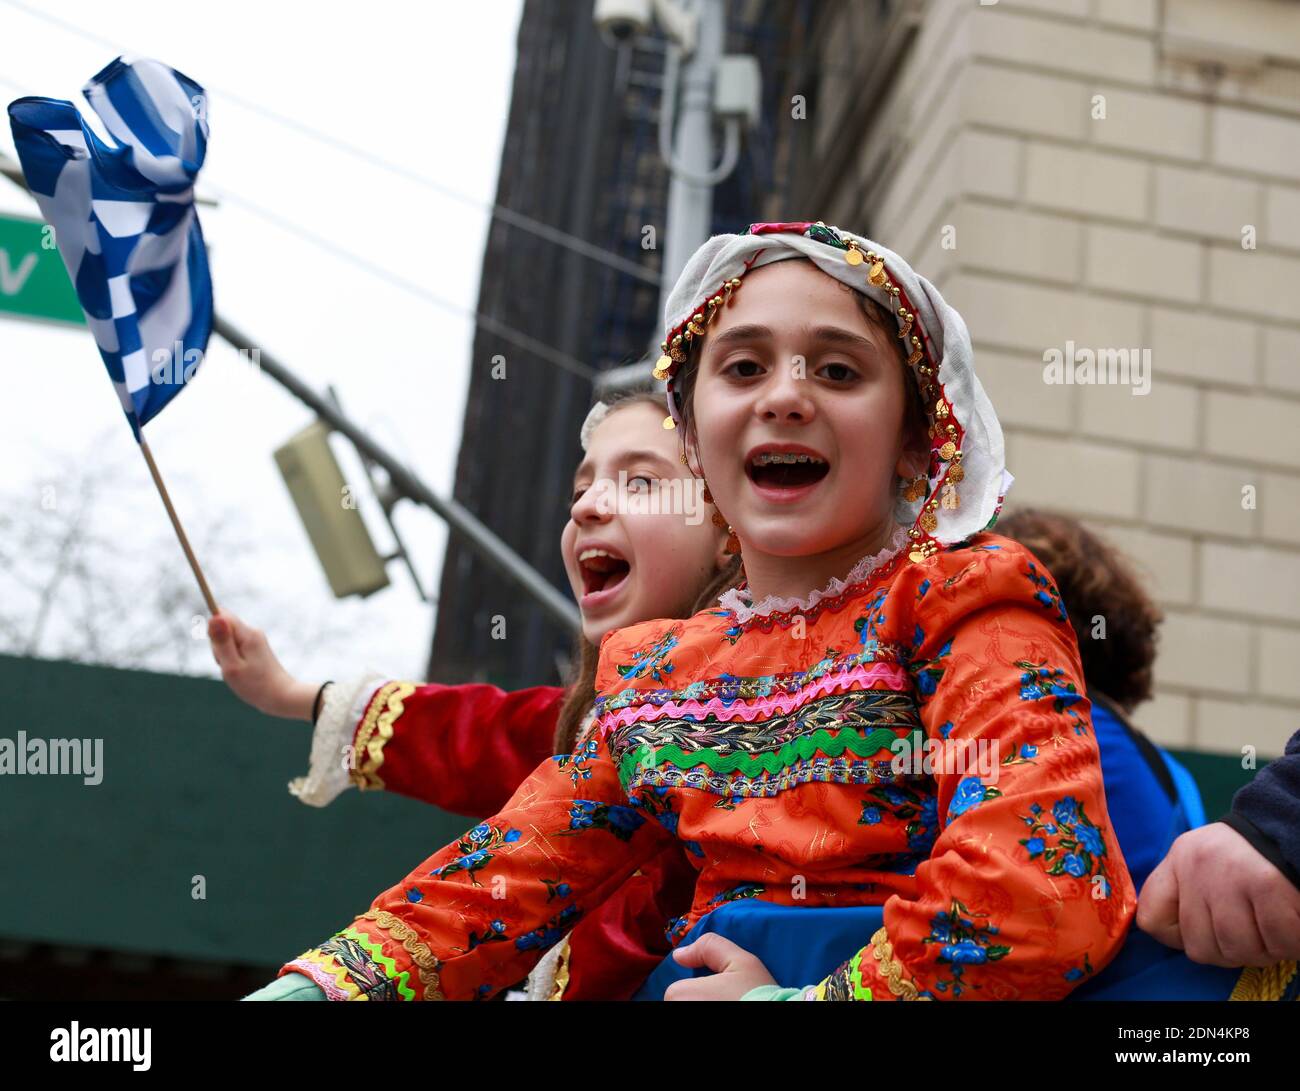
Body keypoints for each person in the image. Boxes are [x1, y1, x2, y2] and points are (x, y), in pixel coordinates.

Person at [256, 221, 1136, 1001]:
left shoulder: (964, 596)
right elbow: (504, 878)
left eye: (837, 369)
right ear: (696, 431)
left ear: (916, 439)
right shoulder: (654, 672)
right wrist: (320, 987)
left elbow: (1040, 892)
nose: (784, 396)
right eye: (743, 366)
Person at [213, 390, 739, 1000]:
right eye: (580, 490)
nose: (589, 507)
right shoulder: (596, 730)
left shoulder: (795, 708)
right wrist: (289, 693)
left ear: (732, 525)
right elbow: (477, 736)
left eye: (641, 482)